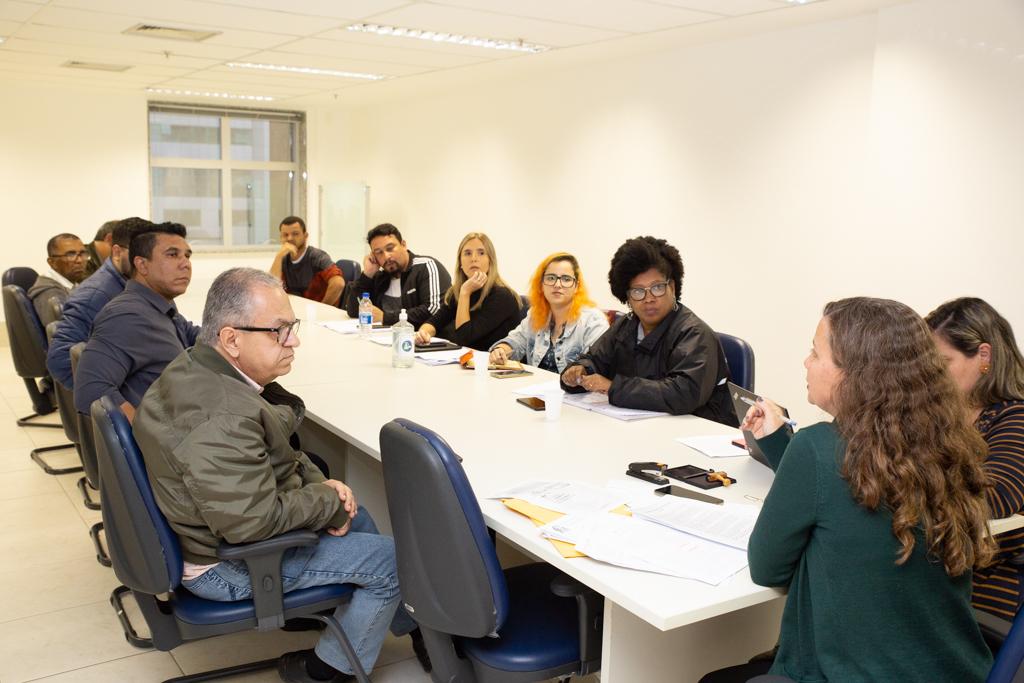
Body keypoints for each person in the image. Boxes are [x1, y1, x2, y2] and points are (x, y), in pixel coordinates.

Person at [133, 267, 423, 683]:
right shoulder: (223, 417)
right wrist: (326, 499)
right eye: (279, 331)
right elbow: (250, 523)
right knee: (393, 561)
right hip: (227, 565)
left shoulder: (197, 364)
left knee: (355, 514)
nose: (294, 341)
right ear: (232, 338)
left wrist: (322, 487)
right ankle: (327, 671)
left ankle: (404, 625)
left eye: (292, 327)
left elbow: (280, 455)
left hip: (212, 527)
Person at [701, 297, 995, 683]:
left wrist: (794, 451)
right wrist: (777, 441)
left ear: (854, 373)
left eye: (815, 352)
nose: (805, 362)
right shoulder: (948, 446)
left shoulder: (818, 448)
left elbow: (767, 567)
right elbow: (846, 491)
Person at [560, 236, 736, 425]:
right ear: (627, 297)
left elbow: (683, 393)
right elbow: (596, 359)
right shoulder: (627, 325)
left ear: (672, 287)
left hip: (697, 429)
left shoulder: (695, 334)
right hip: (643, 427)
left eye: (657, 287)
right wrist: (580, 371)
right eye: (638, 291)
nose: (649, 298)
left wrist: (613, 387)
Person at [927, 297, 1024, 620]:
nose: (933, 375)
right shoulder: (942, 420)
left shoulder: (1015, 417)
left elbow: (996, 496)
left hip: (983, 593)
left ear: (984, 356)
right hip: (937, 580)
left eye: (943, 362)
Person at [73, 222, 200, 421]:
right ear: (142, 265)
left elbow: (194, 335)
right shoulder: (126, 316)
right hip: (177, 432)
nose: (185, 264)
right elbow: (91, 389)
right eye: (172, 255)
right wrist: (142, 434)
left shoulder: (158, 305)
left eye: (187, 256)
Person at [46, 217, 153, 390]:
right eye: (138, 253)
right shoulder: (95, 296)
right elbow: (61, 361)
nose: (146, 261)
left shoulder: (142, 285)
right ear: (117, 252)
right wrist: (115, 398)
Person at [488, 252, 608, 373]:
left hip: (573, 386)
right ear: (541, 284)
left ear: (576, 286)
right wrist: (502, 349)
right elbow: (517, 341)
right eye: (551, 278)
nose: (557, 285)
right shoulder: (536, 314)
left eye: (566, 279)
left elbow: (594, 366)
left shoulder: (593, 320)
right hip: (536, 383)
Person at [414, 232, 521, 352]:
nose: (474, 259)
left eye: (481, 253)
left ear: (490, 261)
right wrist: (423, 333)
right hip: (462, 359)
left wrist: (465, 293)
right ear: (460, 263)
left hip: (490, 361)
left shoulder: (503, 296)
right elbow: (435, 322)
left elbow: (464, 338)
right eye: (468, 253)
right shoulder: (456, 292)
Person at [344, 223, 451, 328]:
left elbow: (434, 309)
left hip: (422, 337)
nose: (386, 256)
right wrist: (367, 274)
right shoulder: (380, 276)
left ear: (403, 245)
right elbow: (354, 311)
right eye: (379, 252)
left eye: (390, 248)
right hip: (383, 336)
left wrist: (385, 318)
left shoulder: (426, 266)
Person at [270, 216, 345, 306]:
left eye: (295, 234)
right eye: (285, 235)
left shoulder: (318, 257)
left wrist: (322, 307)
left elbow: (338, 283)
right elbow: (272, 288)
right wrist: (278, 257)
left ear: (305, 236)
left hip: (316, 311)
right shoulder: (283, 258)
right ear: (280, 238)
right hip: (295, 309)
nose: (289, 238)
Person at [27, 233, 88, 326]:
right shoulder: (49, 293)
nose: (80, 260)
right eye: (70, 255)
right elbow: (64, 331)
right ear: (52, 262)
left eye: (83, 253)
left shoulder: (73, 283)